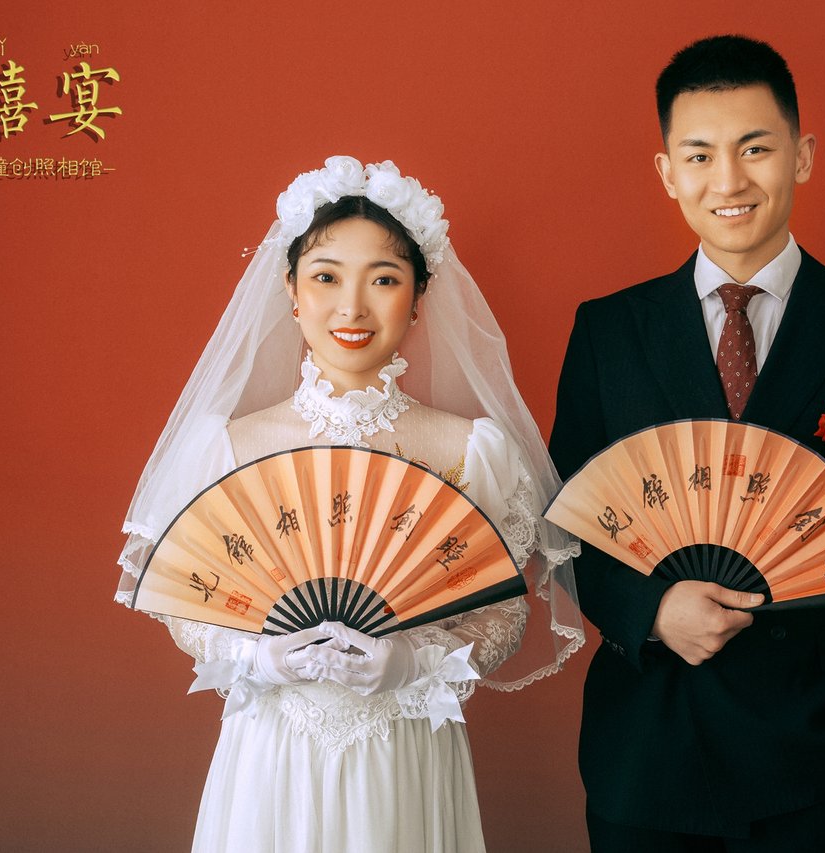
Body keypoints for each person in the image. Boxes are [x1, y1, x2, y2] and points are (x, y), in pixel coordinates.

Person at [550, 35, 825, 851]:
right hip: (648, 748)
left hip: (817, 751)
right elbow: (566, 525)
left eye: (755, 148)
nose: (728, 180)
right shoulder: (609, 332)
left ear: (801, 156)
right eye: (699, 155)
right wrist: (651, 612)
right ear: (668, 172)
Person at [117, 156, 584, 852]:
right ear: (291, 290)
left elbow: (502, 614)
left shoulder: (473, 451)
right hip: (271, 749)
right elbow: (189, 602)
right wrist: (261, 658)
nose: (352, 307)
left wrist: (415, 661)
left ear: (419, 297)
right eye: (326, 276)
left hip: (405, 746)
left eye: (384, 279)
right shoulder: (227, 447)